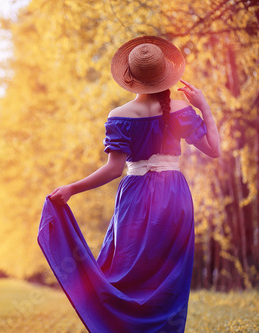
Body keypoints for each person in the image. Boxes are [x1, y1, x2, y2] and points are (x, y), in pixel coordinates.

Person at [37, 36, 220, 332]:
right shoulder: (181, 109)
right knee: (168, 279)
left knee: (123, 271)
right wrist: (205, 108)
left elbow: (112, 170)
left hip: (135, 198)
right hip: (174, 197)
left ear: (130, 78)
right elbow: (215, 150)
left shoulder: (120, 116)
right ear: (166, 75)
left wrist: (71, 188)